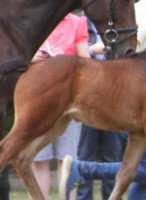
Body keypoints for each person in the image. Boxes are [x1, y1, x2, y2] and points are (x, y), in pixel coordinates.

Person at [60, 0, 146, 199]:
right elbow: (130, 48)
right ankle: (82, 169)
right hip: (133, 99)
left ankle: (82, 169)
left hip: (135, 97)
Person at [32, 12, 90, 200]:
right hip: (38, 99)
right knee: (39, 160)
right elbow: (19, 55)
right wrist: (33, 58)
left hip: (69, 101)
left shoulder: (78, 22)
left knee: (67, 161)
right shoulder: (36, 18)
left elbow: (86, 62)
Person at [76, 18, 124, 200]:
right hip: (88, 97)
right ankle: (83, 197)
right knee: (85, 154)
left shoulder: (121, 23)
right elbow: (74, 54)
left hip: (115, 97)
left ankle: (112, 196)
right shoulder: (81, 23)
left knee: (112, 155)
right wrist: (91, 50)